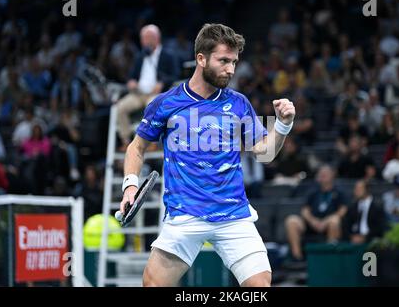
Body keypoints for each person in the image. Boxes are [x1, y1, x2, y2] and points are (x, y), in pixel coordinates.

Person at [119, 24, 296, 287]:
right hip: (184, 214)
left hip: (233, 214)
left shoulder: (239, 103)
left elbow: (265, 153)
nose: (231, 69)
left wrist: (282, 124)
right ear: (201, 59)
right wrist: (130, 186)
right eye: (223, 61)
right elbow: (137, 147)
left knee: (259, 288)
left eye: (234, 62)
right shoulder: (165, 103)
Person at [116, 25, 180, 151]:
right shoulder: (140, 56)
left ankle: (152, 142)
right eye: (144, 39)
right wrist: (131, 82)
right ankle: (126, 141)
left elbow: (175, 75)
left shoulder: (168, 55)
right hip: (138, 93)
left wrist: (162, 83)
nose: (146, 41)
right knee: (120, 107)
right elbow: (131, 76)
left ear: (157, 38)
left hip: (156, 94)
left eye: (149, 38)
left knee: (152, 105)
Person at [284, 165, 348, 260]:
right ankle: (297, 257)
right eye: (320, 174)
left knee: (334, 221)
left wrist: (325, 221)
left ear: (332, 175)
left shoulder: (339, 192)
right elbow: (305, 210)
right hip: (312, 224)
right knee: (291, 220)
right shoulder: (313, 191)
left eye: (325, 174)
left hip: (329, 225)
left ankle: (329, 257)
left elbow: (343, 210)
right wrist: (313, 221)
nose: (322, 176)